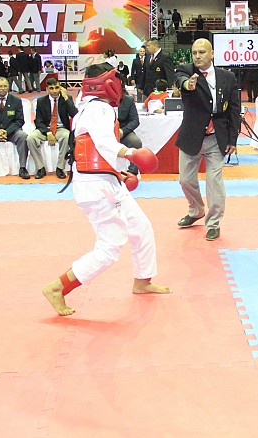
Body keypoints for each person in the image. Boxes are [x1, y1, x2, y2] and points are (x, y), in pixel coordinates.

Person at [41, 63, 169, 316]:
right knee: (110, 247)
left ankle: (143, 280)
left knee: (140, 227)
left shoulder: (88, 107)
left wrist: (119, 172)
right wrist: (131, 153)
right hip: (95, 187)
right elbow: (104, 142)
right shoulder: (99, 108)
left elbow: (93, 149)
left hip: (104, 180)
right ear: (107, 84)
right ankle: (58, 287)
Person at [174, 38, 241, 241]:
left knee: (214, 182)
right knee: (185, 180)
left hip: (216, 137)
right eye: (194, 53)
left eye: (202, 52)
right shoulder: (186, 70)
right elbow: (180, 80)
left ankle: (213, 223)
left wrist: (232, 139)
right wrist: (187, 84)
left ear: (212, 54)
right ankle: (196, 210)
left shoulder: (227, 77)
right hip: (191, 134)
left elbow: (234, 110)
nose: (198, 56)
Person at [28, 78, 78, 179]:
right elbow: (38, 121)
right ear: (47, 89)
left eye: (57, 87)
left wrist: (66, 98)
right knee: (31, 138)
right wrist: (48, 133)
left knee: (67, 136)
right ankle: (40, 168)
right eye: (51, 88)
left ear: (60, 88)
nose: (54, 91)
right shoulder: (41, 101)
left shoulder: (66, 98)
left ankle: (60, 168)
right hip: (45, 128)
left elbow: (75, 114)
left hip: (61, 128)